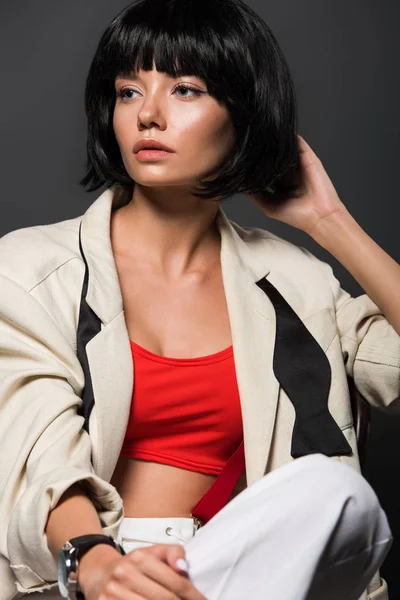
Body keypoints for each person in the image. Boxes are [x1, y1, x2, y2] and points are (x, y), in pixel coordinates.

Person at [0, 0, 399, 598]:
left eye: (185, 89)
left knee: (337, 495)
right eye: (128, 91)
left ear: (244, 114)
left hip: (238, 564)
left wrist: (330, 221)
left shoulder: (298, 281)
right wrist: (99, 563)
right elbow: (36, 453)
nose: (149, 116)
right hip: (90, 568)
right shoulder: (29, 270)